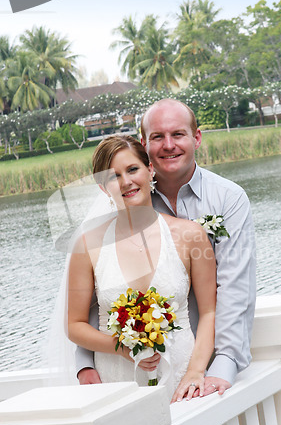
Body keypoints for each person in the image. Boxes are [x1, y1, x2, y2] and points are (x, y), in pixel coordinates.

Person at [76, 99, 256, 397]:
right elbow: (99, 293)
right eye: (158, 137)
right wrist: (85, 361)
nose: (169, 145)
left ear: (196, 138)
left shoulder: (228, 199)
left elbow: (234, 290)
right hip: (123, 367)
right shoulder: (130, 200)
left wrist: (222, 367)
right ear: (145, 145)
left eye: (179, 134)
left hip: (196, 363)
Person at [67, 135, 216, 402]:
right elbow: (75, 325)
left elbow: (208, 312)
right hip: (117, 380)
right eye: (113, 177)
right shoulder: (87, 244)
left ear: (150, 170)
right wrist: (120, 347)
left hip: (182, 380)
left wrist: (196, 371)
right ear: (103, 188)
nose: (126, 182)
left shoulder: (190, 235)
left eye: (133, 169)